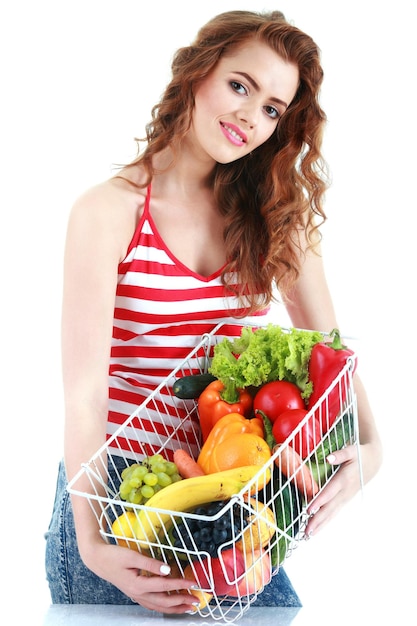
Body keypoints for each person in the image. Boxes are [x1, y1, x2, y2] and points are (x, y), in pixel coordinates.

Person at [44, 9, 382, 614]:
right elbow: (85, 396)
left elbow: (330, 350)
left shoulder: (278, 216)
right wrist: (93, 543)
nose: (251, 118)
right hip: (119, 496)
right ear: (199, 73)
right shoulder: (107, 212)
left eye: (273, 108)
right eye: (240, 86)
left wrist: (373, 444)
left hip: (229, 494)